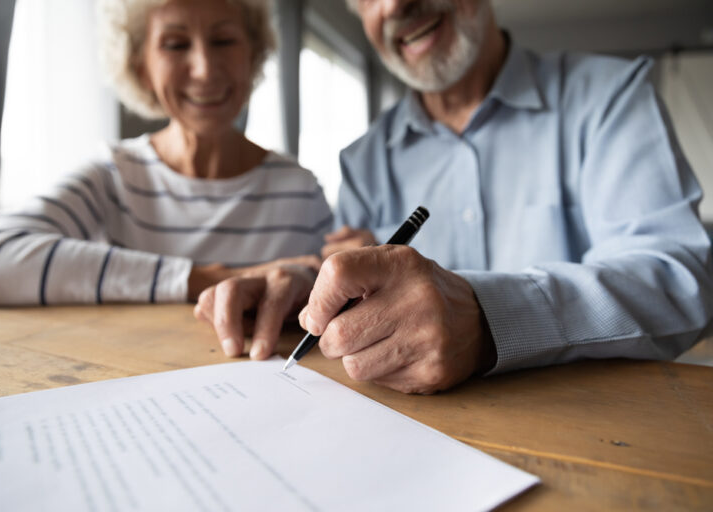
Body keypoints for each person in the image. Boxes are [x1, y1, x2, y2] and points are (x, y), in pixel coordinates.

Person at [195, 0, 713, 393]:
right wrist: (309, 290)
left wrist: (490, 317)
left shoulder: (611, 99)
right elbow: (356, 286)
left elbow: (680, 282)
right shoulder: (364, 159)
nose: (396, 4)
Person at [0, 0, 331, 362]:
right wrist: (207, 278)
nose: (204, 69)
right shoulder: (113, 174)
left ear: (253, 55)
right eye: (175, 44)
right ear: (141, 68)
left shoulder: (301, 189)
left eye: (223, 41)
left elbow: (330, 295)